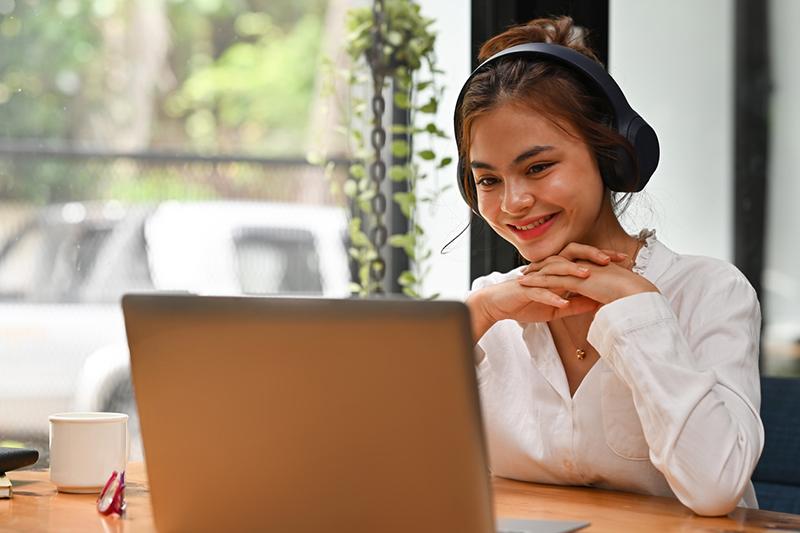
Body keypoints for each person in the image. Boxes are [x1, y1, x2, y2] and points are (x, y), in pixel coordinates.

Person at [456, 16, 763, 517]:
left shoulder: (709, 291)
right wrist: (477, 315)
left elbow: (717, 488)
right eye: (489, 180)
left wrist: (638, 309)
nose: (512, 202)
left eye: (538, 167)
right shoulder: (491, 307)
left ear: (609, 156)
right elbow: (383, 460)